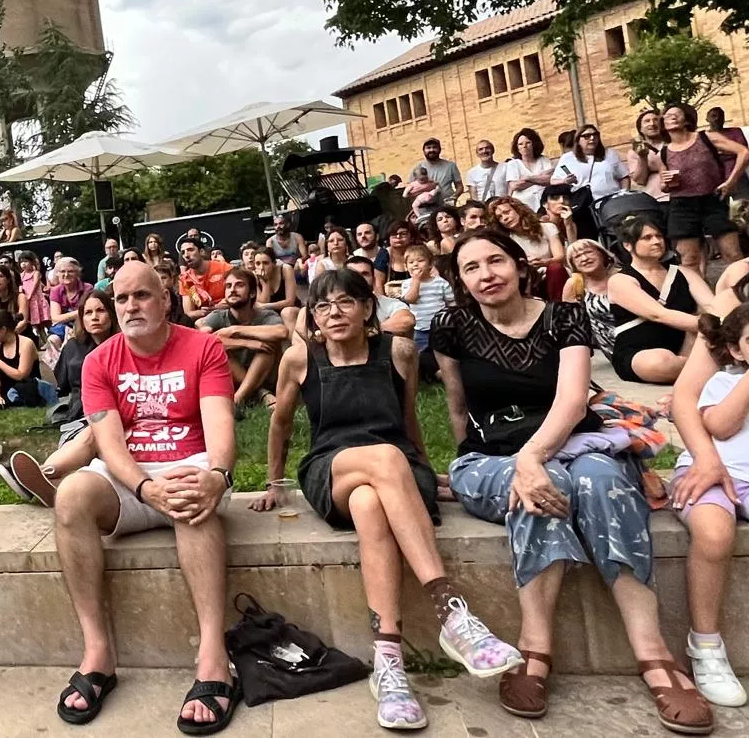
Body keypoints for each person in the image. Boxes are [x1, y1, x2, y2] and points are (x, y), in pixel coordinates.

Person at [434, 230, 711, 732]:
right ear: (461, 279)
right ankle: (536, 648)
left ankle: (653, 653)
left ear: (520, 265)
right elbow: (457, 407)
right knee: (542, 488)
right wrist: (482, 465)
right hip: (489, 458)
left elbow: (573, 400)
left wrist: (533, 455)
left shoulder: (564, 316)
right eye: (471, 267)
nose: (486, 274)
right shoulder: (451, 325)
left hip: (571, 443)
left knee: (599, 480)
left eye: (495, 261)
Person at [252, 268, 519, 729]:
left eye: (345, 302)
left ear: (367, 308)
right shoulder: (299, 360)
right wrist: (274, 483)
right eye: (322, 306)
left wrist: (423, 468)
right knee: (384, 462)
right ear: (313, 317)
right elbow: (280, 425)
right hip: (331, 466)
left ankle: (388, 660)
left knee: (370, 504)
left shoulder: (396, 352)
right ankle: (451, 610)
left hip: (392, 469)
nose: (334, 313)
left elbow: (408, 416)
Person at [47, 261, 239, 732]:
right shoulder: (99, 361)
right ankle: (98, 654)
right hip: (130, 477)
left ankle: (213, 657)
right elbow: (108, 444)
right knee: (70, 495)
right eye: (122, 299)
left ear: (166, 299)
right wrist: (145, 488)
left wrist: (217, 474)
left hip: (192, 465)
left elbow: (219, 425)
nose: (131, 306)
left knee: (193, 500)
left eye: (142, 296)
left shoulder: (203, 346)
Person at [670, 303, 749, 709]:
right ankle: (705, 645)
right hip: (712, 473)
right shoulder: (726, 380)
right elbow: (719, 425)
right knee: (715, 534)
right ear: (737, 350)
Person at [0, 289, 120, 506]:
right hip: (81, 413)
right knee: (89, 436)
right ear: (81, 318)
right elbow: (62, 385)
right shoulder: (73, 347)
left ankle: (44, 477)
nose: (94, 317)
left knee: (96, 435)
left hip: (116, 413)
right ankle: (43, 477)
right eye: (88, 312)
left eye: (101, 310)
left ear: (112, 314)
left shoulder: (124, 345)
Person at [607, 216, 712, 385]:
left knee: (705, 326)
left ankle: (701, 369)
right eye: (647, 238)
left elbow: (711, 304)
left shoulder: (685, 273)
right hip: (640, 352)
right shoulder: (620, 280)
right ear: (628, 245)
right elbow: (658, 314)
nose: (656, 241)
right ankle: (708, 369)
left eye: (659, 236)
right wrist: (714, 324)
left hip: (685, 346)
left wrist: (724, 322)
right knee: (659, 362)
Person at [658, 102, 746, 274]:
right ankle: (700, 299)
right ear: (664, 123)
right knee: (689, 260)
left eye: (678, 114)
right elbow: (663, 186)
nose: (673, 117)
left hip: (712, 200)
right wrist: (666, 183)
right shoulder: (665, 151)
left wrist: (731, 181)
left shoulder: (705, 137)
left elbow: (743, 152)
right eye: (668, 115)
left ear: (686, 120)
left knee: (733, 254)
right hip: (682, 206)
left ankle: (743, 291)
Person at [200, 269, 287, 409]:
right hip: (233, 377)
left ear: (252, 293)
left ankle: (238, 399)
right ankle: (258, 394)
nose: (232, 290)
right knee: (216, 349)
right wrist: (245, 343)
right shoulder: (218, 316)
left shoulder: (265, 315)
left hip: (267, 374)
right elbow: (202, 341)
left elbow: (281, 332)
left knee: (269, 343)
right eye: (228, 286)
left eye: (239, 285)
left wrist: (235, 330)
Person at [554, 124, 630, 239]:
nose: (592, 138)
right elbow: (553, 181)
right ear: (578, 140)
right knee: (589, 238)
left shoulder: (609, 154)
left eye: (595, 135)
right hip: (584, 207)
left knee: (617, 236)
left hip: (611, 204)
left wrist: (623, 194)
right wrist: (565, 181)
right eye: (587, 136)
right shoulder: (568, 158)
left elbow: (624, 176)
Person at [489, 196, 567, 299]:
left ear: (518, 210)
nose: (505, 218)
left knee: (555, 268)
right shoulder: (507, 240)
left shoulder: (547, 227)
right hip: (528, 280)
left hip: (552, 274)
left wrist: (544, 262)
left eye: (507, 212)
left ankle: (558, 307)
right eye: (500, 217)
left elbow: (560, 256)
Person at [562, 239, 619, 357]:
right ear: (573, 264)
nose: (584, 258)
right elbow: (571, 324)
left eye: (588, 252)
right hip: (613, 348)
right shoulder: (575, 284)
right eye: (577, 257)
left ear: (602, 254)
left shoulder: (623, 275)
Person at [395, 244, 454, 353]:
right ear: (406, 267)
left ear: (430, 264)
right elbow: (411, 299)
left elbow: (451, 302)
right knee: (421, 355)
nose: (416, 265)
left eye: (420, 261)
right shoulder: (407, 284)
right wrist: (416, 281)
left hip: (440, 328)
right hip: (420, 329)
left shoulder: (440, 282)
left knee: (444, 353)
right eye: (411, 262)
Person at [0, 310, 45, 408]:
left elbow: (21, 375)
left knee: (25, 387)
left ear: (3, 330)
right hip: (5, 388)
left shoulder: (26, 344)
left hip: (26, 386)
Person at [502, 128, 556, 212]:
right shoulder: (513, 164)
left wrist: (528, 178)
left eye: (528, 143)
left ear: (534, 144)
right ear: (517, 147)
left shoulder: (543, 160)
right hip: (524, 207)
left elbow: (550, 179)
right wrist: (540, 177)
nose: (524, 146)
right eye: (520, 144)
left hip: (546, 205)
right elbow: (514, 186)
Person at [178, 236, 231, 321]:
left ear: (201, 252)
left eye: (190, 250)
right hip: (204, 319)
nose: (186, 255)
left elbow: (237, 297)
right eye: (183, 252)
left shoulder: (224, 268)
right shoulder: (185, 279)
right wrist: (208, 311)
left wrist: (217, 307)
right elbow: (189, 313)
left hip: (229, 312)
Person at [0, 265, 28, 334]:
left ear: (8, 280)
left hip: (21, 335)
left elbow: (23, 322)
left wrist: (7, 335)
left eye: (0, 276)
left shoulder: (20, 297)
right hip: (0, 337)